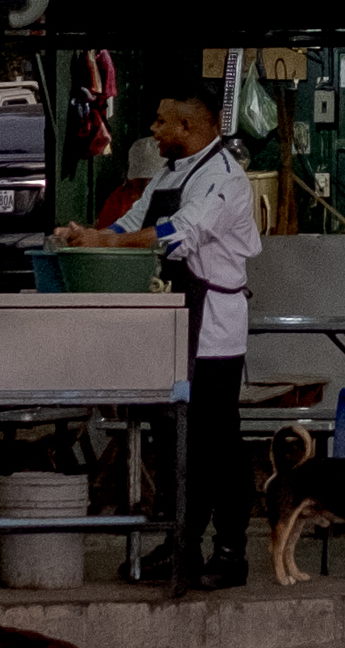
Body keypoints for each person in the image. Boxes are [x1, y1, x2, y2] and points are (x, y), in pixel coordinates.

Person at [68, 86, 258, 594]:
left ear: (189, 129)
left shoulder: (223, 179)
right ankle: (181, 543)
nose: (153, 131)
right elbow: (133, 223)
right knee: (173, 440)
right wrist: (88, 234)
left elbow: (177, 233)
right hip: (172, 321)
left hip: (213, 329)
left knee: (216, 443)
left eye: (160, 122)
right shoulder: (172, 173)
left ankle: (230, 551)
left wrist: (106, 240)